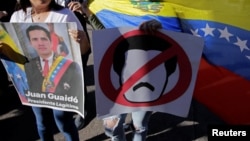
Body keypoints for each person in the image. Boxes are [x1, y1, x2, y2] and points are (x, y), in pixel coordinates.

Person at [10, 0, 90, 141]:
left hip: (62, 84)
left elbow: (84, 50)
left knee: (64, 122)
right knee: (42, 123)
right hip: (33, 84)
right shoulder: (18, 17)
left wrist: (82, 39)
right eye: (34, 39)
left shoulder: (64, 15)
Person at [103, 20, 177, 141]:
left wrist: (162, 28)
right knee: (112, 127)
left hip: (147, 88)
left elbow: (181, 32)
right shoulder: (114, 7)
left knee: (140, 126)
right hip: (119, 84)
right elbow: (105, 25)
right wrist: (88, 13)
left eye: (157, 67)